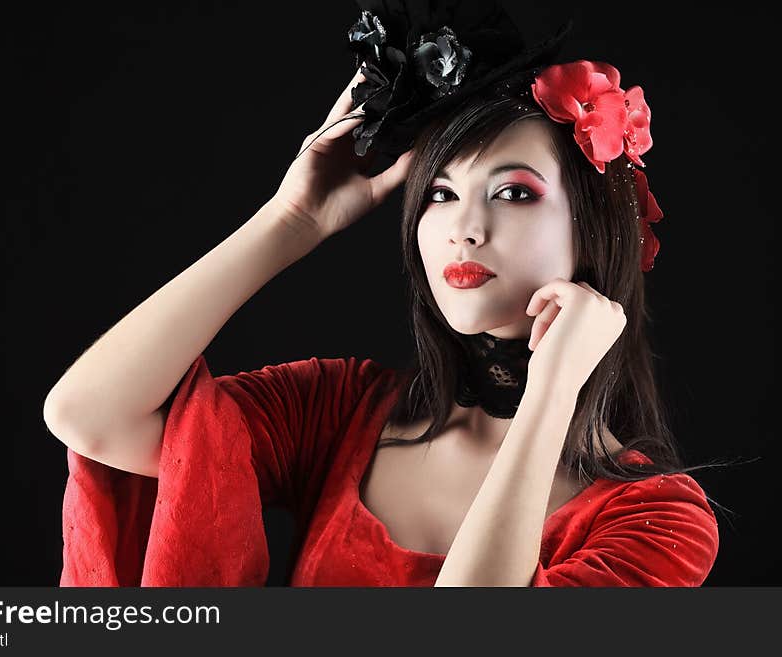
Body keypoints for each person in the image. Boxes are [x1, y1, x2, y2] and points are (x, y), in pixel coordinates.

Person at [45, 0, 721, 587]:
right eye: (440, 193)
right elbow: (89, 414)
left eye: (513, 192)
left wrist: (552, 394)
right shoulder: (342, 414)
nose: (465, 228)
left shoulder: (659, 517)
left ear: (593, 229)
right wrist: (289, 224)